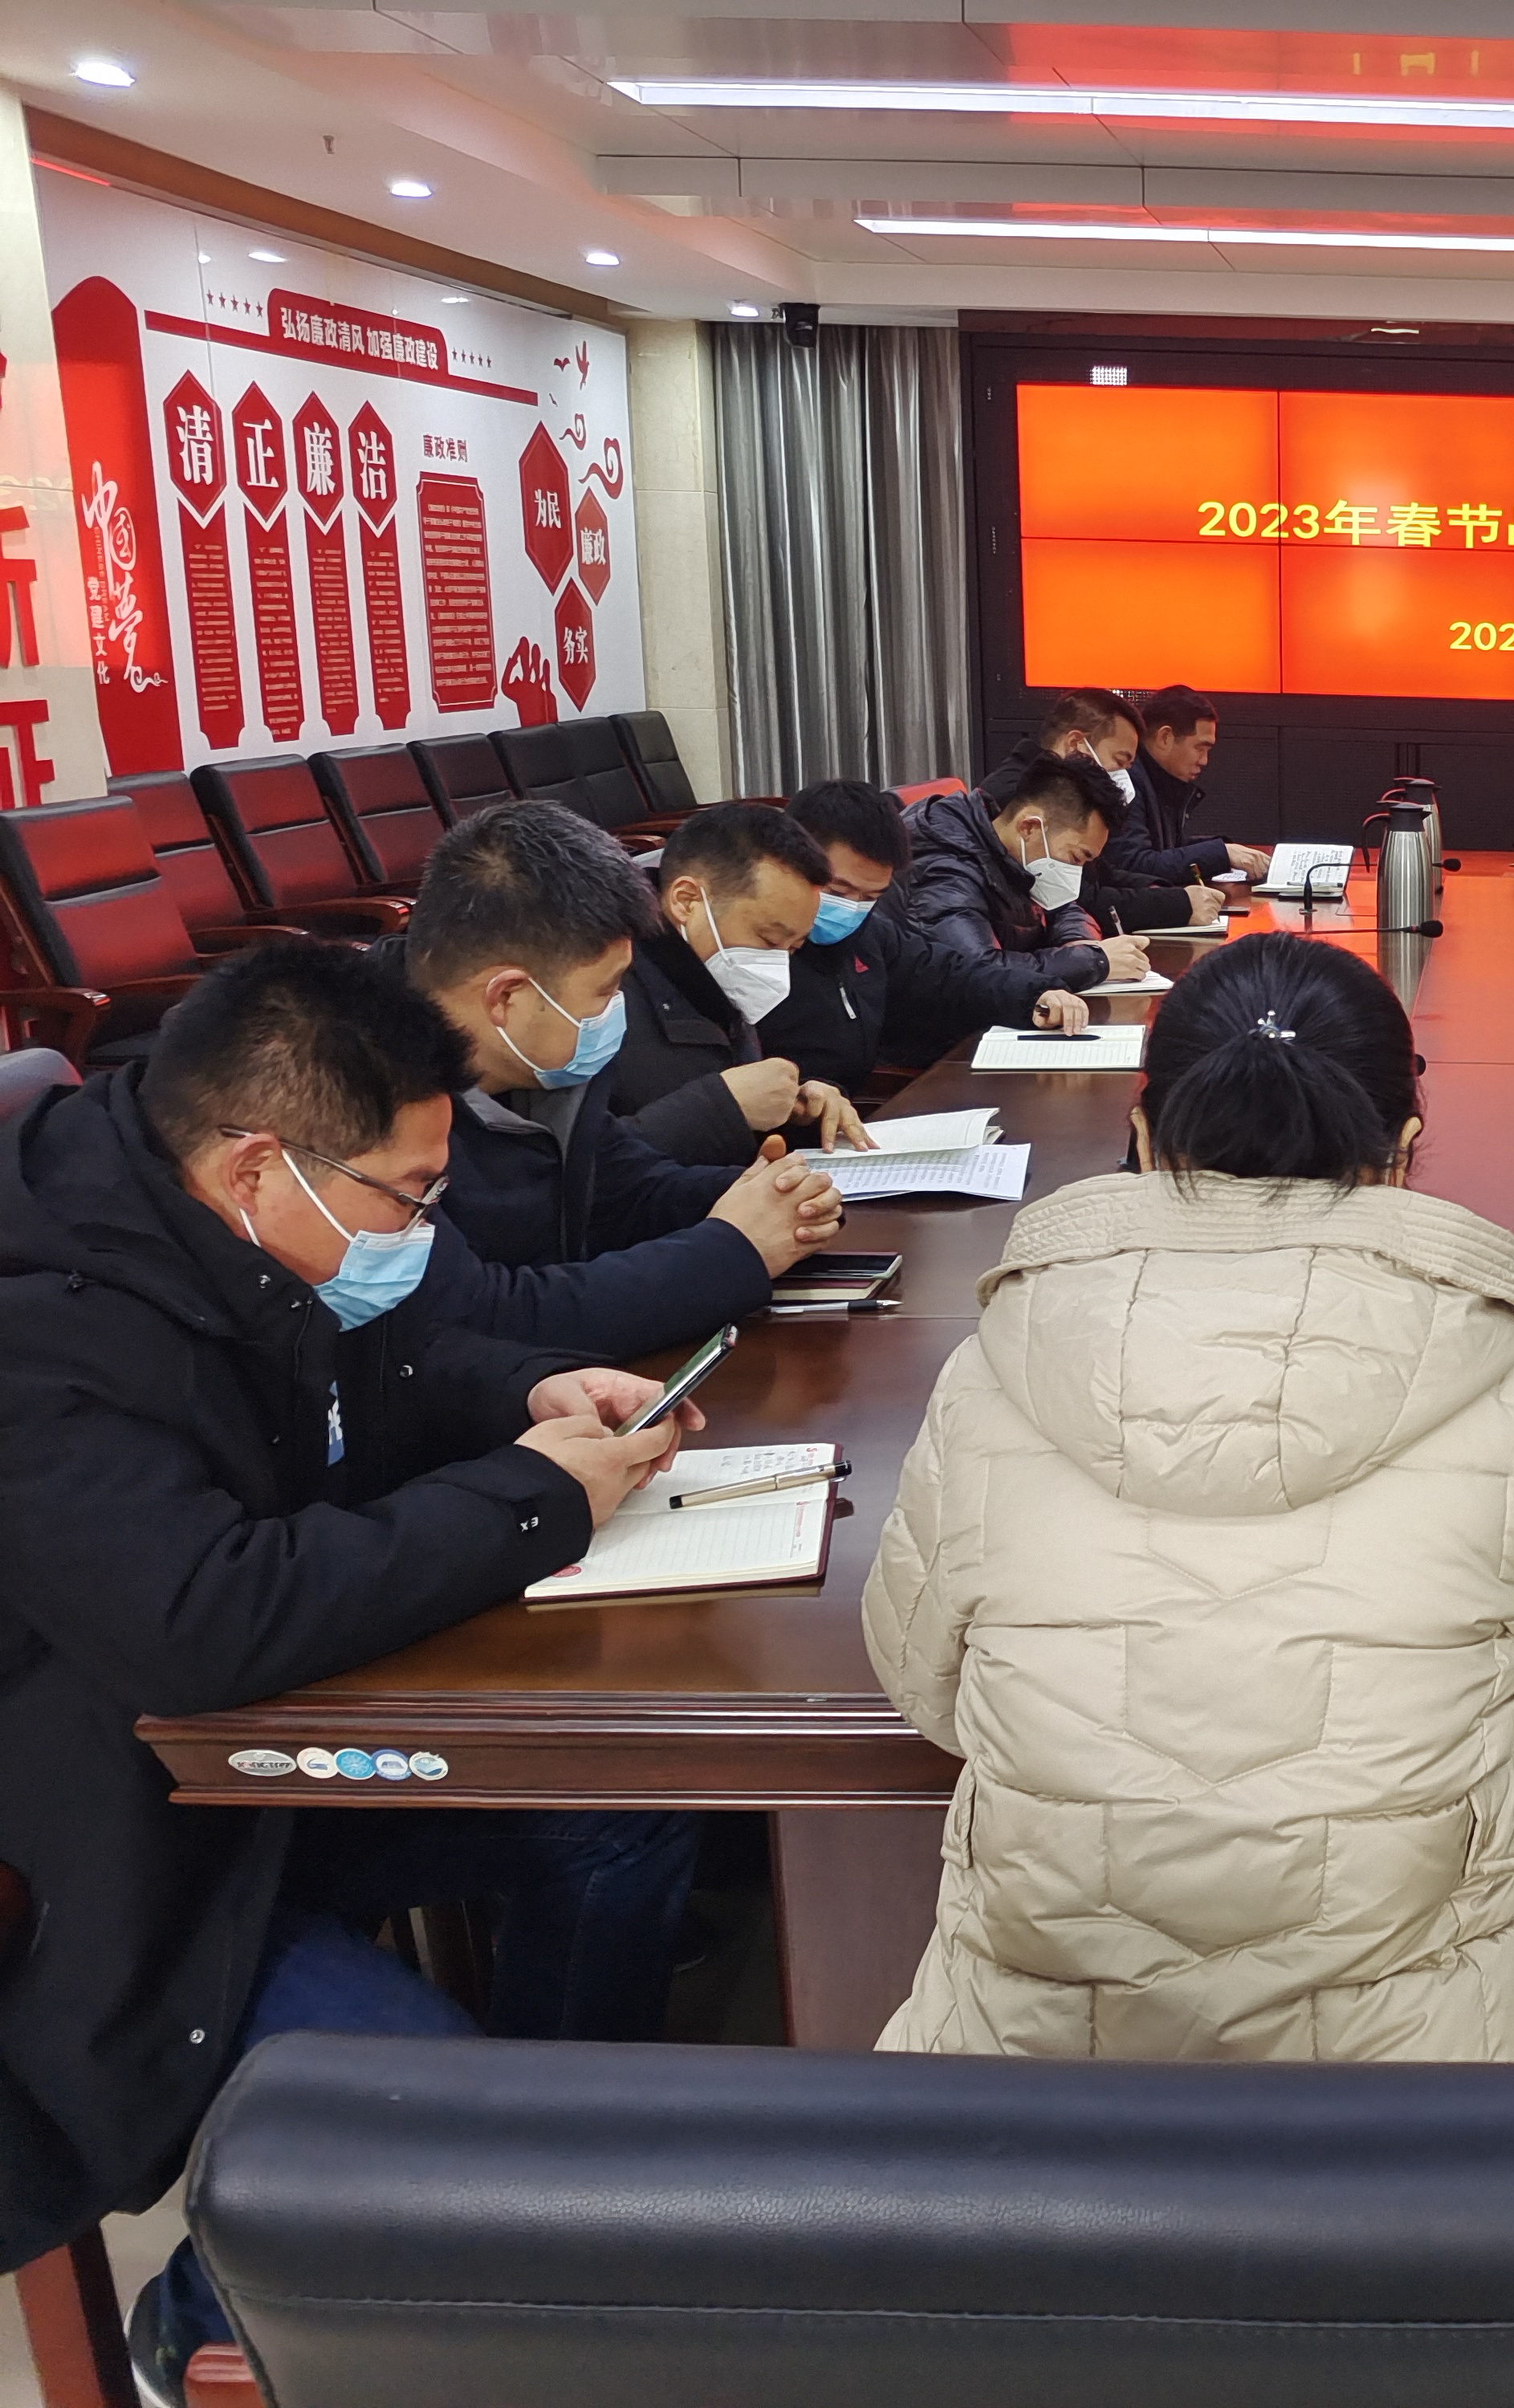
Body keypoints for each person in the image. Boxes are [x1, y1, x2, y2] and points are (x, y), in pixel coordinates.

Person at [863, 933, 1514, 2408]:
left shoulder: (993, 1361)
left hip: (1030, 2092)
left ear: (1142, 1130)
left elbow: (924, 1690)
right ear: (1406, 1147)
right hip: (1424, 2112)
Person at [0, 945, 708, 2397]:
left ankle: (548, 2171)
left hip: (252, 1780)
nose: (424, 1233)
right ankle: (216, 2321)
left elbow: (390, 1367)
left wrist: (529, 1389)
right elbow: (203, 1618)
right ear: (258, 1166)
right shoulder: (41, 1334)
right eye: (410, 1197)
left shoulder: (225, 1223)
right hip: (121, 1857)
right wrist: (536, 1498)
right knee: (441, 2121)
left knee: (623, 1805)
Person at [395, 801, 844, 1361]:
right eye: (607, 991)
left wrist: (773, 1199)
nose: (617, 1012)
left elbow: (625, 1191)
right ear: (507, 997)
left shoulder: (542, 1063)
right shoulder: (372, 1103)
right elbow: (488, 1315)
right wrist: (732, 1251)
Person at [762, 780, 1092, 1094]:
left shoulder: (870, 933)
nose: (851, 909)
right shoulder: (754, 950)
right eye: (838, 891)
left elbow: (950, 974)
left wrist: (1034, 994)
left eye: (870, 897)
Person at [605, 801, 872, 1167]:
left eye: (793, 948)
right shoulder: (601, 989)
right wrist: (724, 1106)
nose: (778, 964)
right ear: (687, 901)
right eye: (768, 939)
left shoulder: (711, 972)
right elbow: (579, 1169)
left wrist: (798, 1106)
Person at [900, 750, 1154, 991]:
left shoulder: (1010, 850)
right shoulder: (944, 866)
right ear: (1029, 827)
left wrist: (1078, 943)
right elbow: (977, 973)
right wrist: (1092, 961)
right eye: (1076, 858)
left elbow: (1064, 907)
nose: (1076, 873)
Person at [979, 691, 1229, 932]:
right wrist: (1177, 905)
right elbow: (1076, 899)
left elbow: (1100, 874)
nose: (1123, 777)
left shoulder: (1061, 788)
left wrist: (1159, 889)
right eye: (1119, 762)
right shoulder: (1018, 795)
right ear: (1075, 745)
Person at [1112, 684, 1273, 895]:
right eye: (1200, 748)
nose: (1204, 761)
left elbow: (1167, 850)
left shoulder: (1158, 779)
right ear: (1165, 738)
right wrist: (1221, 853)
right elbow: (1134, 864)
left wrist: (1226, 849)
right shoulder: (1126, 782)